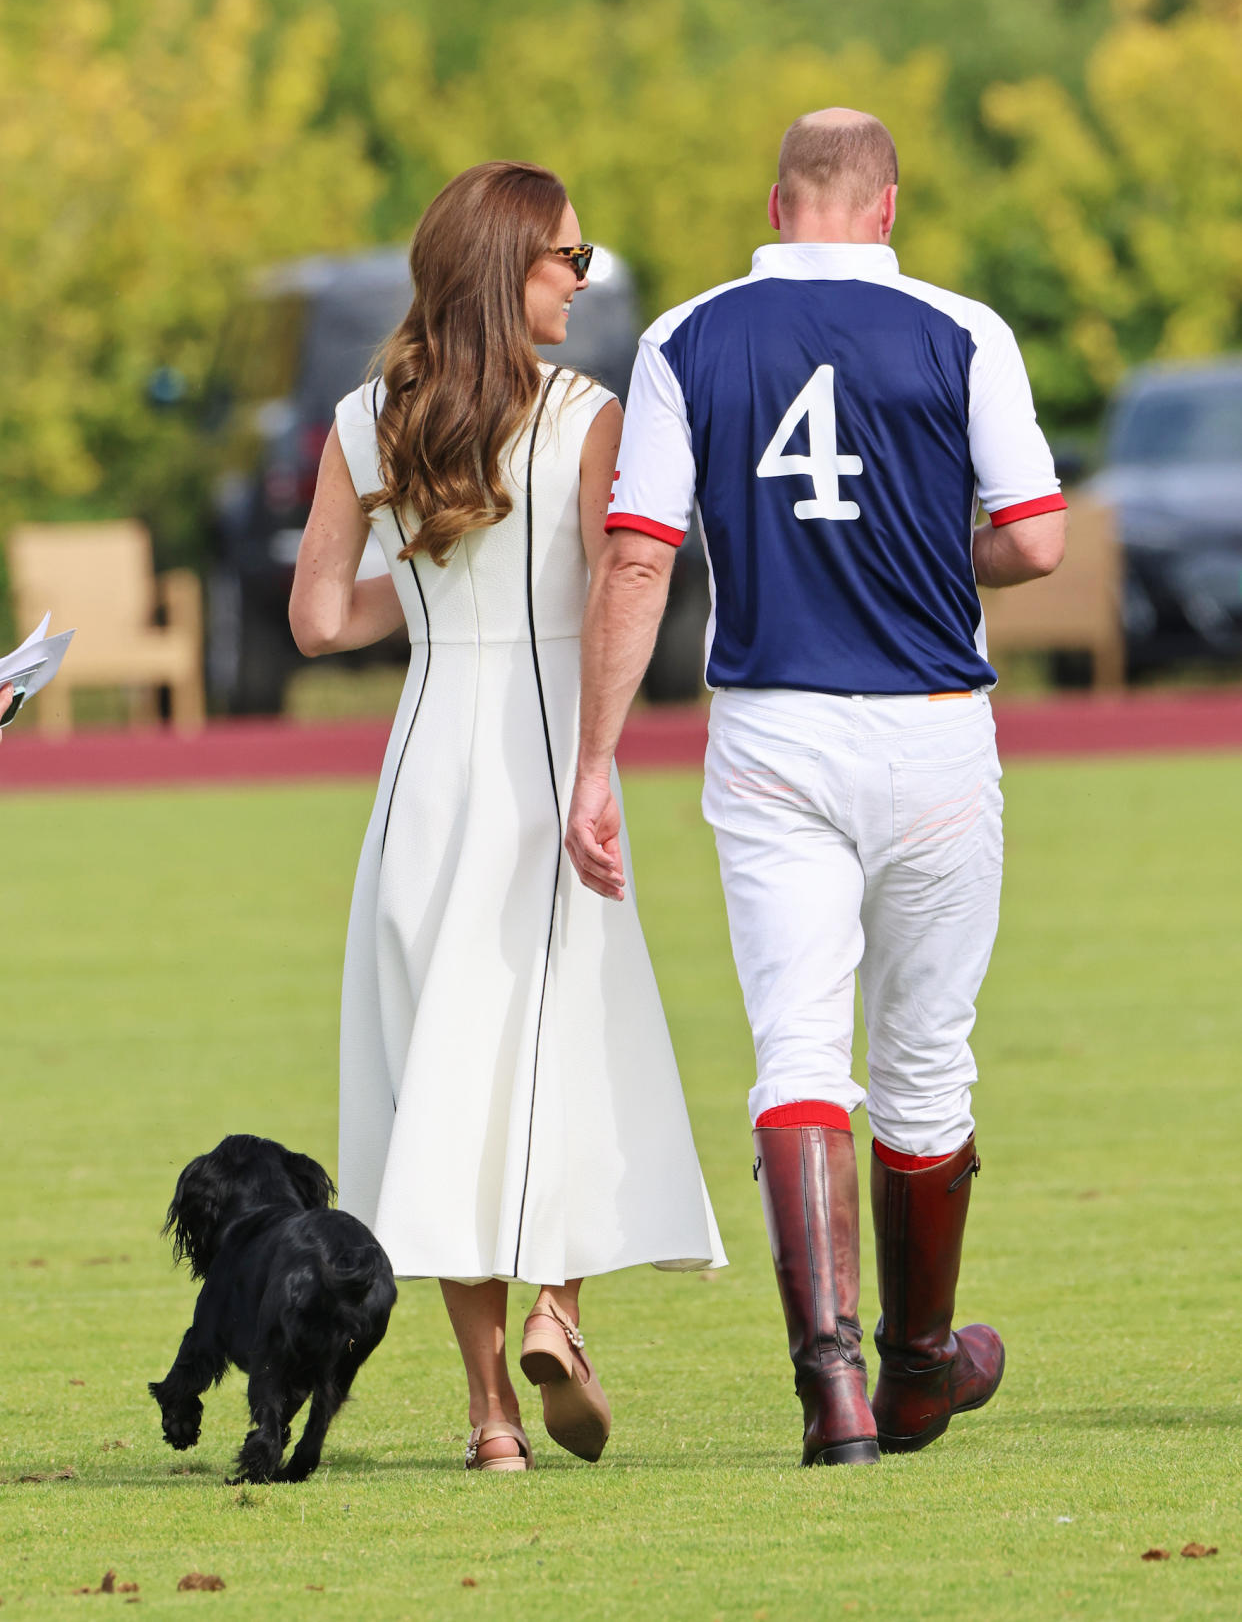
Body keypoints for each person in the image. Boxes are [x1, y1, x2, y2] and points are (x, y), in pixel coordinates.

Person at [565, 109, 1066, 1468]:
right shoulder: (964, 330)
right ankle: (916, 1367)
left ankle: (831, 1388)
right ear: (886, 203)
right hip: (932, 729)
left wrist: (596, 755)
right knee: (922, 1062)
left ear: (777, 200)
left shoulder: (683, 337)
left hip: (772, 728)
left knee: (796, 1051)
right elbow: (1033, 537)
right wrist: (926, 556)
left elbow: (635, 560)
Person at [289, 161, 723, 1476]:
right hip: (546, 761)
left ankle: (489, 1422)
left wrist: (418, 573)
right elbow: (614, 599)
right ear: (505, 269)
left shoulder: (367, 423)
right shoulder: (590, 416)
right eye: (567, 261)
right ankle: (559, 1315)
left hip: (424, 776)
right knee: (562, 1056)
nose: (582, 283)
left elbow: (317, 621)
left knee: (442, 1083)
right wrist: (598, 762)